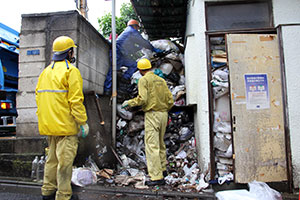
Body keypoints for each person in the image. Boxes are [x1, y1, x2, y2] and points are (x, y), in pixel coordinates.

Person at [35, 36, 89, 200]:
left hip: (49, 127)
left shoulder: (45, 72)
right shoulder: (71, 71)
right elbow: (76, 101)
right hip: (66, 127)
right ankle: (64, 195)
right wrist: (83, 122)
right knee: (64, 164)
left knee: (51, 160)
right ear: (69, 52)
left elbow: (39, 98)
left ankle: (47, 191)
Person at [121, 58, 174, 186]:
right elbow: (170, 100)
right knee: (160, 143)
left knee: (152, 145)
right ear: (150, 67)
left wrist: (129, 103)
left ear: (140, 70)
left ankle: (156, 177)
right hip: (163, 114)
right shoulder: (161, 80)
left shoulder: (143, 80)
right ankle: (163, 170)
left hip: (152, 114)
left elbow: (143, 99)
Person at [104, 19, 163, 93]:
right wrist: (154, 49)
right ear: (135, 26)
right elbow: (143, 42)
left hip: (122, 54)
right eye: (138, 28)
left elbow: (132, 46)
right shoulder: (132, 31)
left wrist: (141, 48)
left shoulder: (128, 33)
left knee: (134, 65)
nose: (138, 30)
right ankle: (107, 89)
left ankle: (125, 78)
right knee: (113, 69)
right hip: (117, 52)